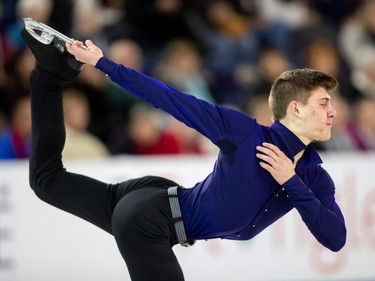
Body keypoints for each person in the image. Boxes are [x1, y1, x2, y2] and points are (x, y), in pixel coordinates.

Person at [22, 26, 346, 281]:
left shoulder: (313, 177)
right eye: (323, 103)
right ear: (295, 109)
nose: (333, 112)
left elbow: (335, 239)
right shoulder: (245, 133)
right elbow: (170, 99)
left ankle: (48, 76)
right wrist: (102, 63)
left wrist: (291, 182)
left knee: (46, 181)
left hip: (154, 200)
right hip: (151, 221)